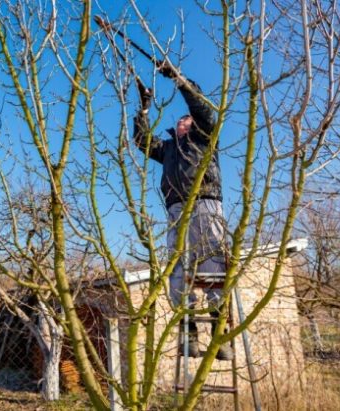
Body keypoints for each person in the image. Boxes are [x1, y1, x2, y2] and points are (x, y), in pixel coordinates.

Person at [132, 63, 233, 360]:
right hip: (176, 209)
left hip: (205, 203)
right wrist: (144, 109)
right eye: (180, 121)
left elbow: (203, 111)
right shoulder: (169, 150)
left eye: (186, 119)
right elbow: (142, 141)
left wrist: (179, 78)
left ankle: (218, 335)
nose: (182, 122)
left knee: (214, 263)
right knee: (178, 268)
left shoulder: (204, 139)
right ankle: (188, 332)